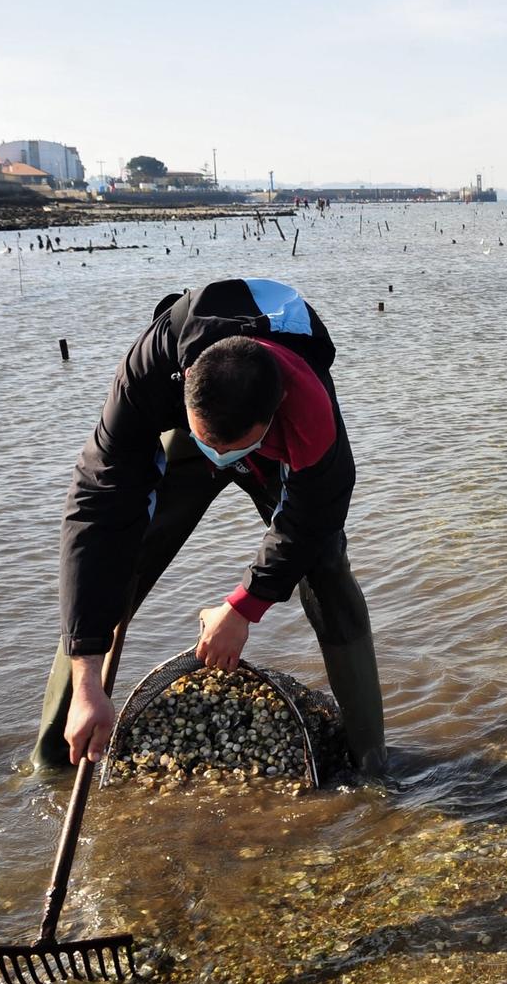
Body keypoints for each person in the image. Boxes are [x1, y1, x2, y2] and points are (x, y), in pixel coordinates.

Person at [29, 278, 385, 777]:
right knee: (119, 563)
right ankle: (54, 754)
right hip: (196, 421)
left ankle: (371, 762)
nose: (220, 460)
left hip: (272, 442)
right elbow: (97, 512)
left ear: (273, 414)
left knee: (324, 569)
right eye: (210, 446)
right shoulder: (147, 376)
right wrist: (89, 676)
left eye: (231, 448)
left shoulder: (308, 410)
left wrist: (244, 606)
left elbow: (313, 518)